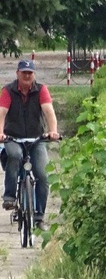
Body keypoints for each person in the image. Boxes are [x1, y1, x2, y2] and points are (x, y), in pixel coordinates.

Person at [0, 60, 60, 231]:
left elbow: (49, 111)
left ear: (34, 75)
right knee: (15, 156)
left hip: (36, 139)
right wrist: (1, 133)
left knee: (42, 175)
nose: (27, 76)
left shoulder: (41, 90)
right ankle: (9, 197)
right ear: (17, 73)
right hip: (13, 138)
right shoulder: (8, 91)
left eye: (30, 73)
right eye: (24, 72)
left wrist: (53, 131)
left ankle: (39, 216)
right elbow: (1, 113)